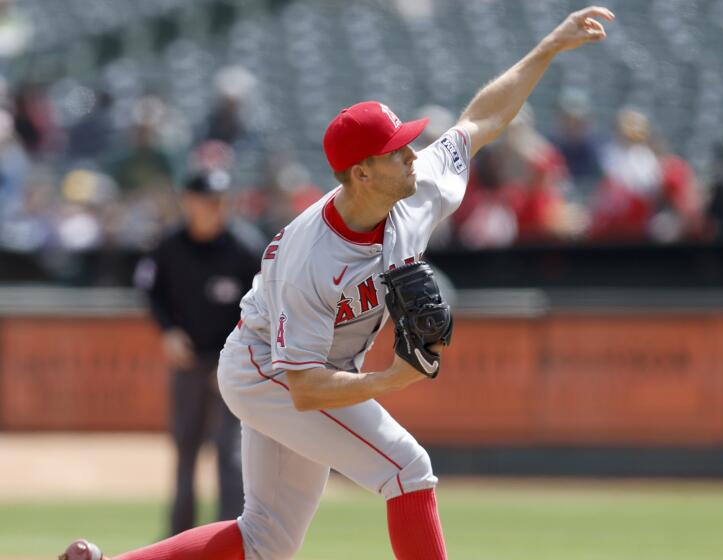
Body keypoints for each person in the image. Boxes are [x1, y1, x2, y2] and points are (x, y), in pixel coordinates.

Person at [60, 7, 614, 560]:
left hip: (314, 366)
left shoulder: (414, 190)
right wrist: (394, 379)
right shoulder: (312, 256)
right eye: (397, 150)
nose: (412, 155)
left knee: (265, 540)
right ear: (362, 173)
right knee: (407, 469)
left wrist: (547, 48)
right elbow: (303, 387)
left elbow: (481, 122)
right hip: (268, 368)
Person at [133, 170, 261, 536]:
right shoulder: (169, 246)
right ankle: (177, 539)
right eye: (208, 200)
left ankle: (230, 538)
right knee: (186, 449)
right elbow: (150, 291)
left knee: (230, 451)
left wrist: (234, 357)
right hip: (188, 360)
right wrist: (168, 331)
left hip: (232, 362)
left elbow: (262, 304)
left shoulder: (244, 247)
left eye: (220, 200)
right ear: (189, 201)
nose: (215, 208)